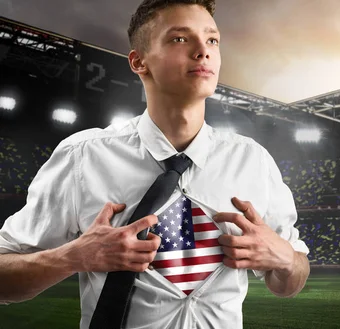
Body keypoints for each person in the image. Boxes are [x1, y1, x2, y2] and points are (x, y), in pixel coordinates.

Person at [0, 0, 310, 328]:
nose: (203, 51)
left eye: (212, 40)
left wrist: (286, 259)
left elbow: (290, 281)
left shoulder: (253, 162)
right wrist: (74, 256)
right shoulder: (84, 157)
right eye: (180, 38)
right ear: (139, 61)